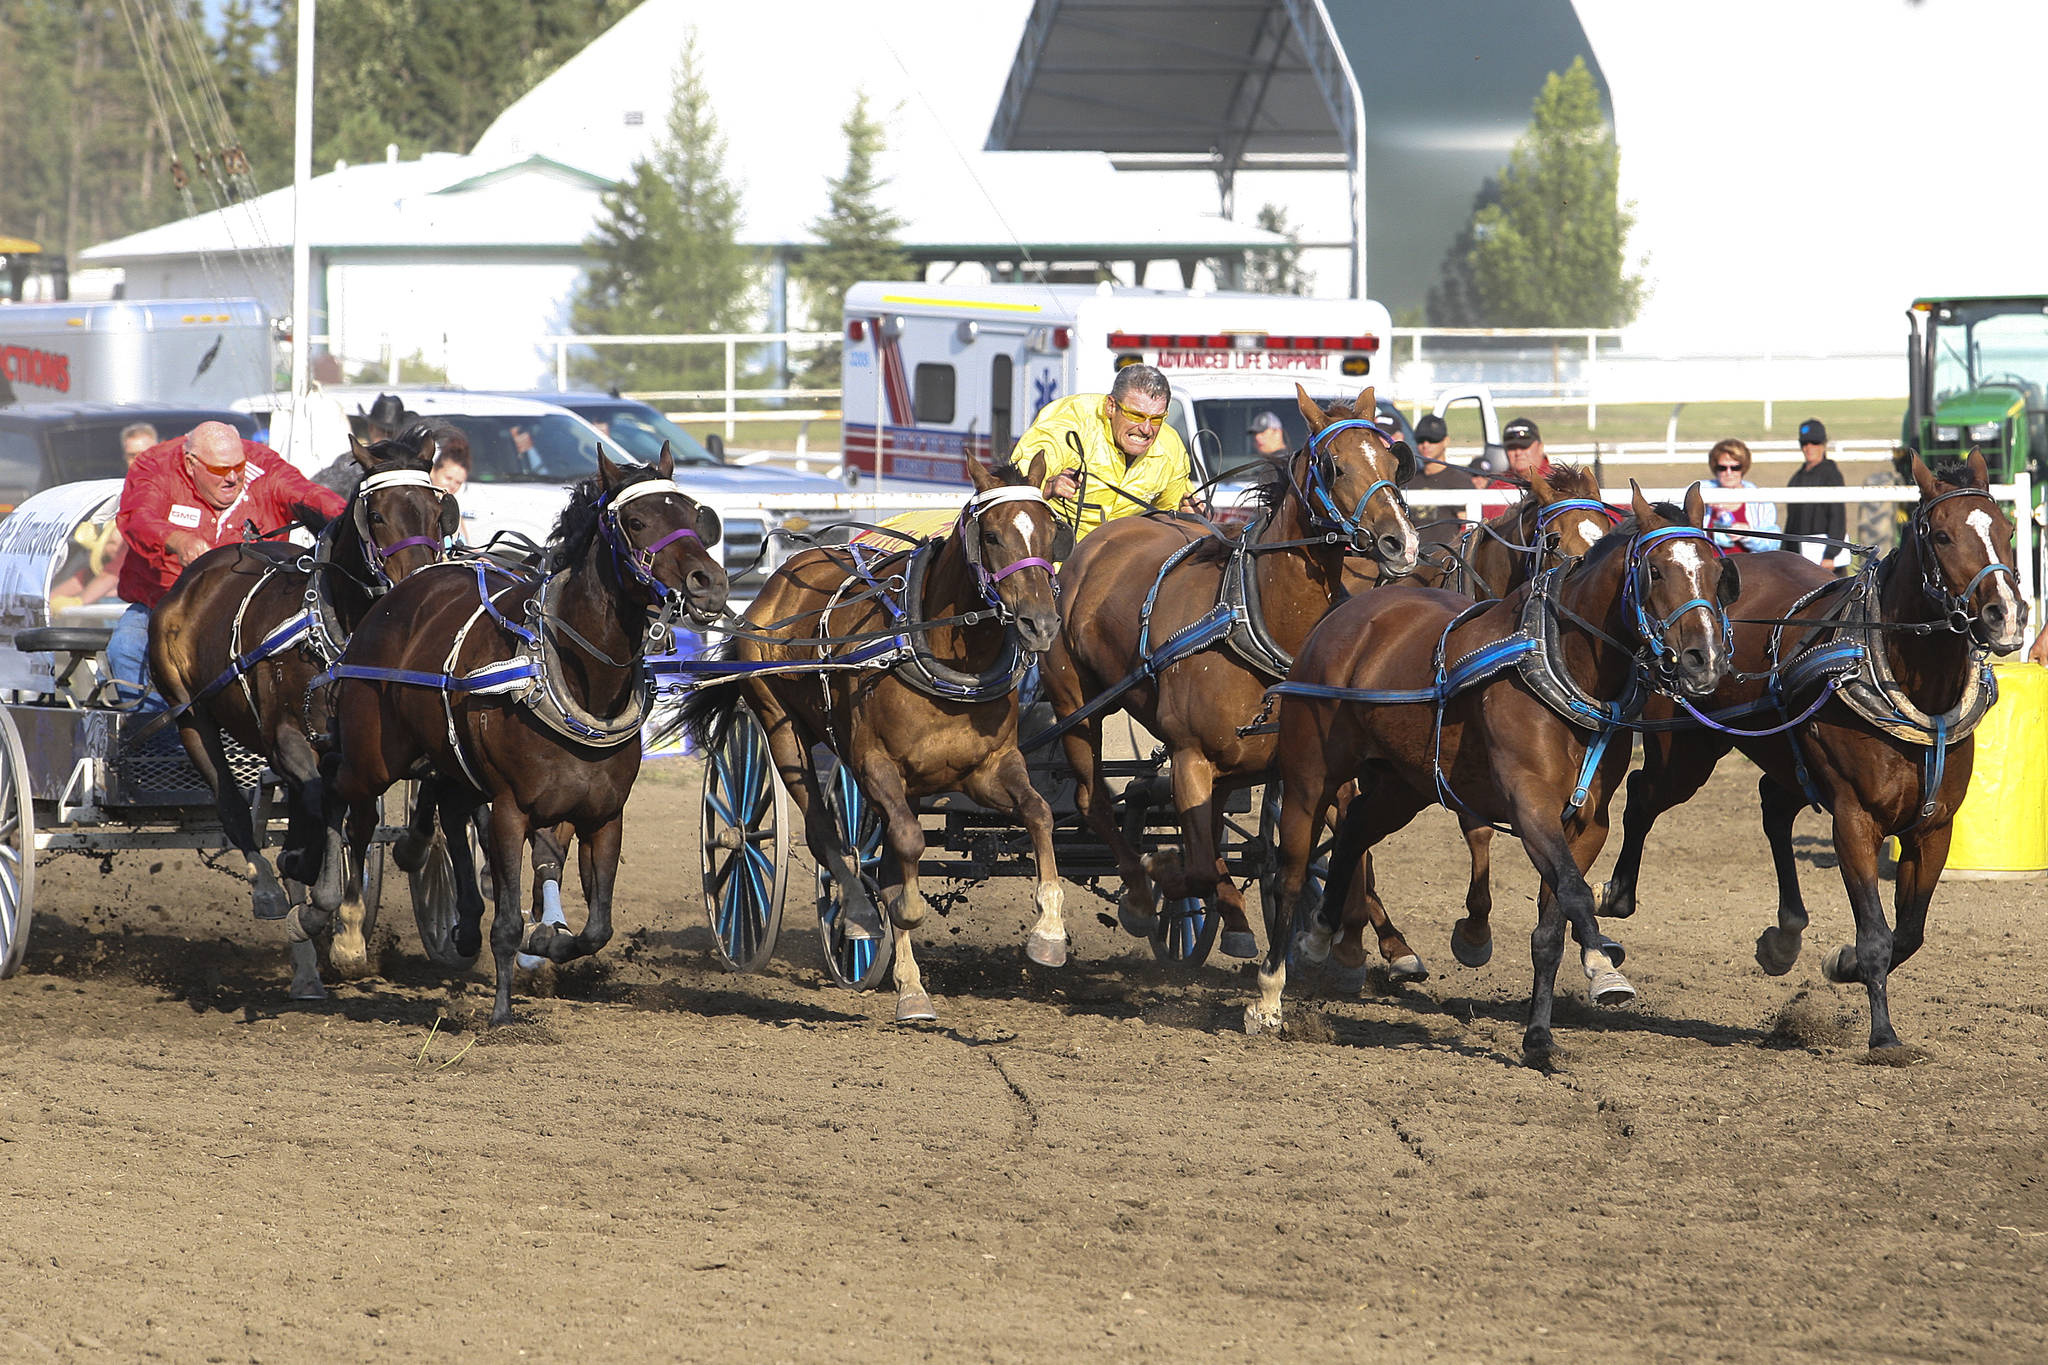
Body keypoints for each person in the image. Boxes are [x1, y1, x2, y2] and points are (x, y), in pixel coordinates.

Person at [107, 421, 347, 708]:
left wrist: (350, 519)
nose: (233, 477)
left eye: (239, 466)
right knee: (126, 648)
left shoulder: (263, 466)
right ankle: (160, 741)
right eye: (220, 470)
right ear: (191, 463)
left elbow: (309, 496)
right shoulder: (156, 466)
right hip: (164, 602)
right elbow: (137, 517)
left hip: (246, 608)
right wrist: (176, 539)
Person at [1021, 364, 1205, 544]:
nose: (1146, 429)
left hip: (1120, 563)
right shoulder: (1068, 424)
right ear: (1111, 406)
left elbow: (1171, 513)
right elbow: (1013, 489)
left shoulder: (1170, 446)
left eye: (1157, 418)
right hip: (1053, 560)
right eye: (1136, 415)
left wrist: (1188, 516)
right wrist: (1046, 489)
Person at [1784, 417, 1846, 572]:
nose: (1809, 447)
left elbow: (1837, 517)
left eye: (1814, 442)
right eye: (1804, 443)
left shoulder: (1831, 475)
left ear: (1824, 444)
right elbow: (1791, 522)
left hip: (1824, 561)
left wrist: (1830, 554)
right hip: (1800, 559)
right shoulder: (1796, 478)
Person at [1702, 437, 1781, 553]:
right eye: (1722, 468)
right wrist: (1699, 501)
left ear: (1743, 468)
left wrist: (1748, 534)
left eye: (1735, 468)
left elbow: (1773, 544)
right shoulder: (1702, 491)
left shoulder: (1760, 501)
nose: (1729, 473)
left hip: (1748, 568)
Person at [1480, 417, 1553, 519]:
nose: (1518, 453)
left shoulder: (1559, 482)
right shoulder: (1496, 488)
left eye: (1524, 447)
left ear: (1540, 447)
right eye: (1512, 448)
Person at [1407, 413, 1473, 491]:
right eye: (1420, 440)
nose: (1425, 445)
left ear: (1446, 441)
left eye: (1432, 440)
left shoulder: (1462, 483)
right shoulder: (1408, 483)